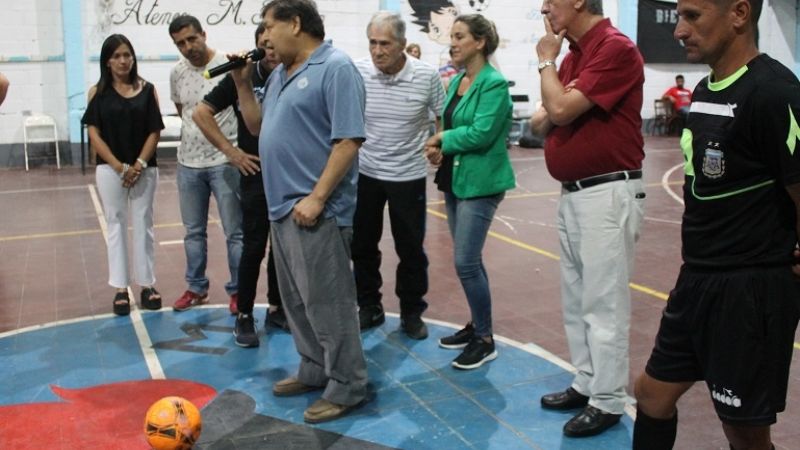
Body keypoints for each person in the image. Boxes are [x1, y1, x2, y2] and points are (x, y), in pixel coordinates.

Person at [633, 0, 800, 449]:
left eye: (692, 16)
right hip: (698, 279)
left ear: (739, 14)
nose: (679, 31)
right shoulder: (707, 90)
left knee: (744, 434)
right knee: (651, 395)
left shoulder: (773, 92)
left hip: (749, 290)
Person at [233, 0, 368, 424]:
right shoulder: (280, 75)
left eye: (268, 26)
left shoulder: (336, 67)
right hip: (281, 208)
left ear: (295, 23)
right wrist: (240, 84)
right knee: (297, 303)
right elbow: (257, 127)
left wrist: (317, 197)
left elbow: (348, 140)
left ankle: (348, 385)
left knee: (329, 304)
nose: (264, 36)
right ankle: (314, 368)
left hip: (316, 210)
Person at [530, 0, 646, 438]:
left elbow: (556, 111)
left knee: (604, 303)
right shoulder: (578, 53)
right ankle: (587, 381)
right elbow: (542, 118)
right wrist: (559, 88)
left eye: (550, 0)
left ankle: (609, 399)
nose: (544, 7)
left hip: (607, 193)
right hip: (576, 193)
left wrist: (546, 60)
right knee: (578, 298)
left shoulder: (613, 48)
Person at [424, 14, 514, 370]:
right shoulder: (460, 79)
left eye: (460, 36)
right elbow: (449, 123)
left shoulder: (493, 84)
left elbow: (480, 133)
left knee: (464, 261)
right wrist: (439, 147)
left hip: (481, 184)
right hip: (455, 178)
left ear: (480, 42)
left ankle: (485, 339)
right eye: (452, 36)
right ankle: (478, 325)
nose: (453, 42)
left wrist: (443, 139)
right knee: (470, 261)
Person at [193, 25, 287, 348]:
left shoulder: (292, 73)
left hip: (288, 173)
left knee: (283, 246)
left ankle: (277, 307)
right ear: (257, 46)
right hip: (256, 173)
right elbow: (201, 112)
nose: (271, 50)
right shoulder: (243, 75)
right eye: (265, 45)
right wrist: (232, 153)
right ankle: (244, 314)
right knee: (254, 245)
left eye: (275, 43)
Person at [352, 11, 445, 340]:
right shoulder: (358, 71)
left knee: (411, 249)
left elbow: (441, 115)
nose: (378, 51)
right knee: (362, 245)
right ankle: (369, 306)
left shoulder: (426, 76)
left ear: (403, 44)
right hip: (366, 172)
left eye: (385, 44)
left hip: (408, 175)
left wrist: (438, 143)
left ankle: (411, 311)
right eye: (373, 43)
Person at [82, 34, 164, 315]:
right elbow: (94, 133)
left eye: (127, 54)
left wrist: (139, 164)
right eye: (116, 55)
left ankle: (147, 285)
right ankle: (120, 288)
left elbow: (155, 130)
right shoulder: (98, 93)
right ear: (107, 61)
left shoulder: (148, 89)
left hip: (145, 169)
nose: (123, 60)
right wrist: (119, 167)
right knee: (115, 224)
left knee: (144, 224)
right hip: (110, 170)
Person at [168, 15, 243, 313]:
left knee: (234, 232)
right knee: (193, 232)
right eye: (180, 43)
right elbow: (183, 111)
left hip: (226, 162)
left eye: (192, 39)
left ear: (203, 34)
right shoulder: (177, 73)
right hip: (188, 165)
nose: (188, 47)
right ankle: (196, 287)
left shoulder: (228, 65)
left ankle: (238, 291)